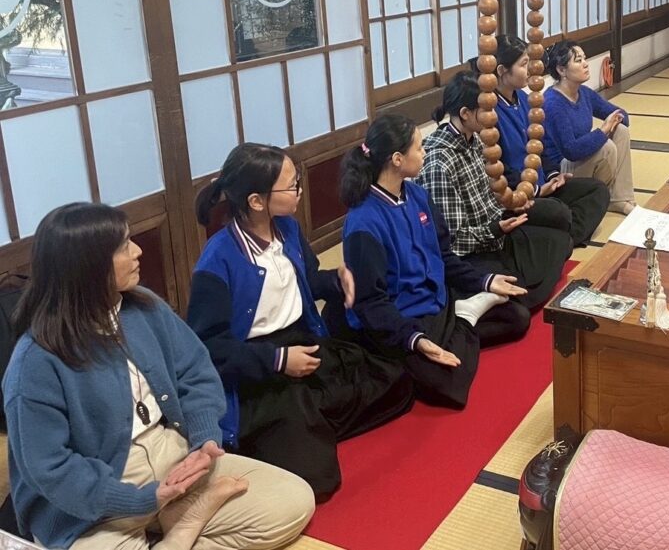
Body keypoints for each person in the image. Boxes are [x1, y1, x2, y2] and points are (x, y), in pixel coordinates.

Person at [3, 202, 314, 550]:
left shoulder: (143, 306)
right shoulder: (35, 361)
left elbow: (195, 371)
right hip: (93, 499)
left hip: (171, 454)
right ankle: (183, 528)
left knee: (293, 501)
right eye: (124, 246)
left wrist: (203, 438)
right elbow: (52, 469)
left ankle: (174, 521)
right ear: (88, 265)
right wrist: (143, 500)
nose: (137, 251)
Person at [188, 143, 414, 501]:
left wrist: (336, 281)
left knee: (398, 381)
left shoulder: (288, 229)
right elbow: (209, 347)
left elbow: (306, 280)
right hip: (259, 366)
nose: (299, 191)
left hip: (305, 343)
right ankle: (299, 429)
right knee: (316, 480)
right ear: (256, 201)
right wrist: (279, 360)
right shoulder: (217, 261)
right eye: (291, 185)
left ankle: (312, 423)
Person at [330, 114, 530, 409]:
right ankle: (464, 319)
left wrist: (484, 281)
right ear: (397, 159)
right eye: (419, 147)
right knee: (447, 384)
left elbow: (444, 257)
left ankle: (460, 319)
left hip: (436, 300)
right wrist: (414, 338)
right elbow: (371, 302)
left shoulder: (417, 195)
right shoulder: (364, 222)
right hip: (400, 316)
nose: (425, 153)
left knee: (517, 317)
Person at [418, 71, 573, 311]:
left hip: (497, 229)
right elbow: (453, 241)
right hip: (474, 248)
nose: (494, 116)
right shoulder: (439, 163)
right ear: (465, 113)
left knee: (562, 240)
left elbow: (494, 189)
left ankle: (519, 284)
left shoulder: (477, 139)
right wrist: (495, 228)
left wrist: (511, 203)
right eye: (487, 109)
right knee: (518, 307)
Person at [484, 34, 610, 246]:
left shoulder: (525, 99)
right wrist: (535, 191)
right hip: (518, 197)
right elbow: (497, 169)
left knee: (597, 190)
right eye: (523, 64)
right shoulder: (489, 112)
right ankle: (563, 237)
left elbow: (540, 145)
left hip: (543, 184)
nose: (530, 70)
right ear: (502, 71)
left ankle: (564, 239)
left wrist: (553, 176)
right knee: (561, 212)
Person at [542, 40, 636, 214]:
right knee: (606, 147)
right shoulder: (553, 104)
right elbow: (571, 151)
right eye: (578, 61)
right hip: (561, 171)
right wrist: (603, 130)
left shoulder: (583, 93)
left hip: (581, 157)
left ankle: (619, 198)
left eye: (584, 58)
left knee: (621, 131)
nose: (585, 64)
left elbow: (622, 117)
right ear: (561, 70)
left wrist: (614, 121)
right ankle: (592, 199)